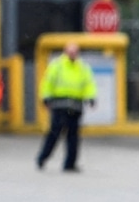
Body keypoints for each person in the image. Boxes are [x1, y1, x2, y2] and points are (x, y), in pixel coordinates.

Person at [36, 42, 96, 172]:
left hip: (76, 105)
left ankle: (70, 163)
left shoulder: (82, 67)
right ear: (65, 52)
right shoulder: (57, 66)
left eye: (75, 52)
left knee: (73, 136)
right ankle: (42, 158)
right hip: (60, 104)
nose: (73, 54)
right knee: (54, 133)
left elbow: (88, 84)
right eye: (70, 51)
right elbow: (48, 82)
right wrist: (46, 97)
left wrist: (91, 97)